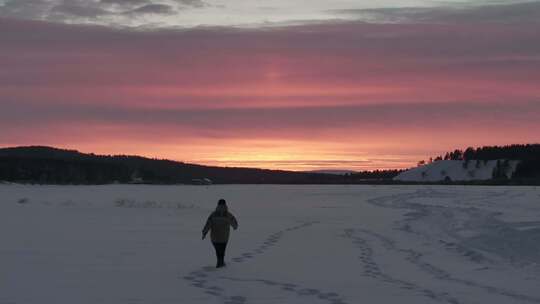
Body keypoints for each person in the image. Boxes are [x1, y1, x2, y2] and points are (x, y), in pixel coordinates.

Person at [202, 199, 238, 268]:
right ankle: (220, 263)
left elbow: (208, 224)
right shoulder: (228, 214)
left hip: (214, 238)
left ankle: (220, 262)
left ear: (218, 205)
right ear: (225, 205)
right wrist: (235, 227)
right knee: (222, 250)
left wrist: (204, 233)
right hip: (224, 238)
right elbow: (234, 223)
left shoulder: (213, 214)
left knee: (218, 251)